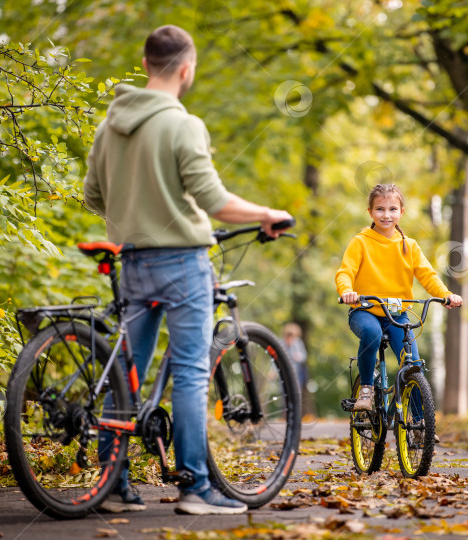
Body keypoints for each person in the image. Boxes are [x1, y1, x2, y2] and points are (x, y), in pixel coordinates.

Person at [83, 25, 292, 515]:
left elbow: (94, 194)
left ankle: (113, 484)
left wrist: (134, 215)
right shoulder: (182, 124)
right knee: (192, 374)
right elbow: (215, 201)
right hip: (181, 262)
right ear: (185, 68)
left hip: (130, 258)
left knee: (124, 371)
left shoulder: (110, 125)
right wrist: (266, 213)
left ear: (146, 63)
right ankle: (196, 489)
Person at [335, 183, 462, 411]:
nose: (386, 215)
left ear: (401, 212)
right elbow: (346, 272)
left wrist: (446, 295)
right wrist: (347, 291)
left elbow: (428, 276)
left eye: (393, 209)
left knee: (412, 362)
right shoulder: (361, 242)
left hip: (397, 314)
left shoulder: (409, 246)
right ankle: (366, 389)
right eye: (380, 209)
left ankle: (419, 423)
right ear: (370, 212)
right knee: (372, 333)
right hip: (365, 311)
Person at [282, 323, 307, 390]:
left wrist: (298, 356)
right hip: (284, 373)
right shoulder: (281, 343)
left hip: (296, 373)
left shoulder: (298, 343)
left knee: (296, 390)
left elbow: (304, 356)